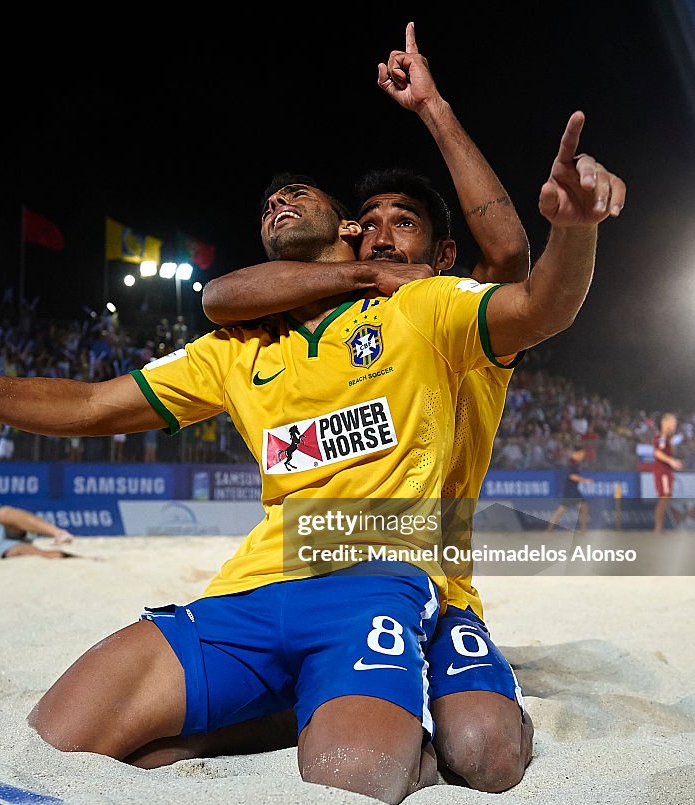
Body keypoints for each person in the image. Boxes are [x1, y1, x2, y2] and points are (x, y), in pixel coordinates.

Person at [0, 98, 623, 803]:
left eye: (299, 193)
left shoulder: (419, 305)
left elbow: (530, 288)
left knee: (448, 759)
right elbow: (88, 403)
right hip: (253, 585)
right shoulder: (235, 347)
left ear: (350, 227)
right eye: (267, 203)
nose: (278, 201)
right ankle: (295, 701)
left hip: (392, 575)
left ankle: (362, 710)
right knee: (54, 737)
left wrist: (575, 227)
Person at [198, 23, 537, 792]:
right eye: (368, 223)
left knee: (485, 756)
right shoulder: (357, 317)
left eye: (405, 223)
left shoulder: (455, 316)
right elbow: (222, 297)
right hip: (336, 582)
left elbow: (514, 258)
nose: (381, 235)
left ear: (444, 255)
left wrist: (433, 107)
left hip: (439, 585)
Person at [546, 446, 594, 533]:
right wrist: (585, 480)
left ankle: (583, 529)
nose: (583, 456)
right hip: (570, 491)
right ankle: (549, 530)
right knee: (561, 511)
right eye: (582, 454)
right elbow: (572, 476)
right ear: (577, 453)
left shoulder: (574, 462)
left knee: (583, 507)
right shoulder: (572, 463)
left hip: (573, 490)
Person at [653, 412, 683, 533]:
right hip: (662, 472)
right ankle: (658, 528)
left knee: (666, 498)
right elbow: (657, 452)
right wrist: (671, 461)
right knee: (664, 499)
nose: (674, 424)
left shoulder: (667, 437)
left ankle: (659, 528)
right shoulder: (662, 436)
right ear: (664, 423)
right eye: (672, 422)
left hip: (666, 471)